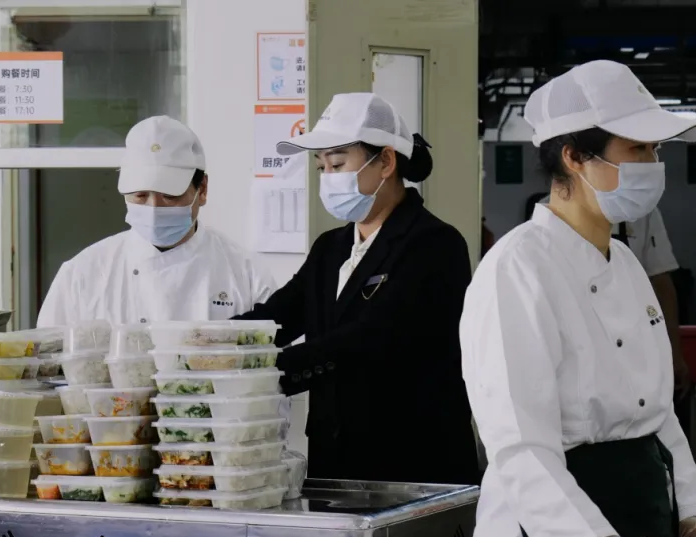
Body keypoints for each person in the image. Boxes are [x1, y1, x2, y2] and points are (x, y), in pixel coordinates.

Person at [461, 61, 696, 537]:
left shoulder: (625, 262)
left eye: (656, 151)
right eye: (637, 149)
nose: (653, 165)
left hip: (640, 524)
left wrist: (692, 512)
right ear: (574, 157)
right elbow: (517, 440)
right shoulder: (517, 268)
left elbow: (659, 416)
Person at [236, 93, 480, 486]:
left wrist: (263, 371)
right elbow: (279, 316)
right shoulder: (330, 248)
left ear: (386, 162)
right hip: (334, 465)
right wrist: (208, 346)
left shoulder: (434, 244)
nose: (327, 178)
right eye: (321, 167)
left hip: (412, 465)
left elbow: (371, 337)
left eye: (337, 164)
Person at [37, 116, 275, 327]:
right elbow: (49, 356)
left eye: (170, 196)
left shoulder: (247, 275)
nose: (153, 209)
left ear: (202, 190)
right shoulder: (83, 274)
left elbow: (275, 357)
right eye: (140, 195)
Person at [528, 196, 691, 397]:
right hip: (575, 341)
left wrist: (673, 352)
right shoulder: (549, 213)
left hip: (634, 341)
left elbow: (661, 283)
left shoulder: (642, 211)